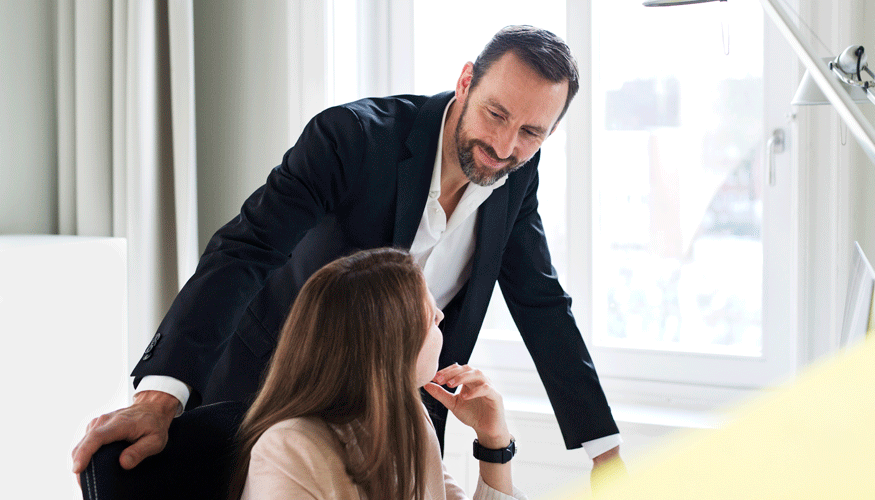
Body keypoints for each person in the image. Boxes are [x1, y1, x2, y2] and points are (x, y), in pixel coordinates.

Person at [72, 25, 623, 479]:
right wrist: (160, 395)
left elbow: (541, 302)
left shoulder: (516, 175)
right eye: (496, 115)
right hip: (271, 397)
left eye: (531, 132)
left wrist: (605, 453)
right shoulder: (353, 139)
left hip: (395, 422)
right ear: (465, 83)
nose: (505, 147)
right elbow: (247, 250)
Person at [230, 248, 525, 499]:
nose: (440, 316)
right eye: (428, 314)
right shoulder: (288, 449)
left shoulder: (411, 419)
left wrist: (494, 441)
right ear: (390, 346)